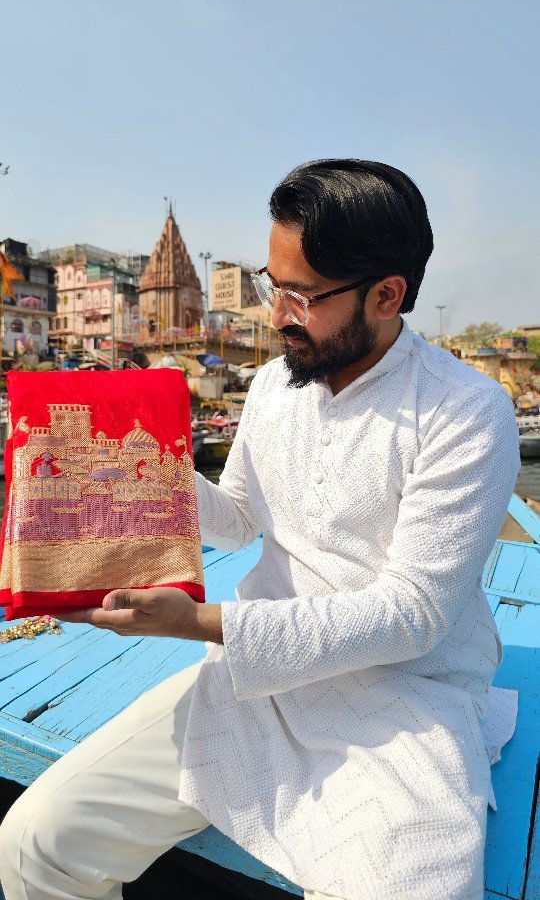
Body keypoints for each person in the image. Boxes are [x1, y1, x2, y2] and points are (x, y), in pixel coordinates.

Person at [0, 160, 520, 900]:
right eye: (272, 286)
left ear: (387, 294)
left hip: (401, 697)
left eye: (302, 295)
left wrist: (204, 623)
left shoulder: (465, 411)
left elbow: (414, 617)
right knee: (33, 845)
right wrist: (144, 465)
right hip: (255, 682)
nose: (277, 314)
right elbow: (241, 516)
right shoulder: (280, 381)